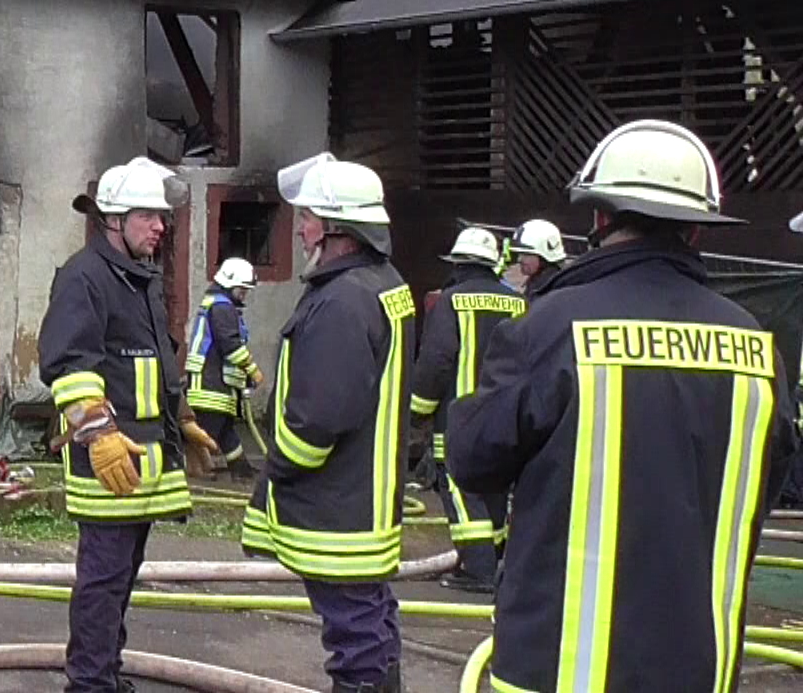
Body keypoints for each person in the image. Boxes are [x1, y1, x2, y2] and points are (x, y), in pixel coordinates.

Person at [448, 121, 798, 692]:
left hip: (557, 670)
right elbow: (769, 479)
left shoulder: (550, 327)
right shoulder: (758, 347)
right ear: (696, 231)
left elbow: (472, 461)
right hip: (698, 671)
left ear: (599, 218)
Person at [39, 156, 221, 693]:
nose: (160, 227)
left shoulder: (139, 279)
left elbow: (155, 360)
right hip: (109, 465)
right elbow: (69, 364)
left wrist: (181, 418)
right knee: (102, 584)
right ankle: (90, 684)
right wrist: (99, 436)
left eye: (162, 217)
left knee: (119, 583)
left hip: (142, 463)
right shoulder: (84, 277)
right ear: (114, 220)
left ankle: (106, 675)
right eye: (148, 216)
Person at [242, 153, 414, 693]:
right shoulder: (381, 284)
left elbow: (319, 417)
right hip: (366, 498)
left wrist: (279, 469)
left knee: (356, 639)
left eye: (308, 218)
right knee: (372, 623)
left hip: (339, 508)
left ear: (338, 228)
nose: (300, 229)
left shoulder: (343, 301)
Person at [408, 226, 524, 594]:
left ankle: (478, 568)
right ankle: (497, 559)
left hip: (460, 418)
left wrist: (418, 410)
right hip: (507, 417)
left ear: (458, 263)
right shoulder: (518, 302)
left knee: (460, 489)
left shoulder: (452, 301)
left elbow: (437, 360)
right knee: (495, 488)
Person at [185, 257, 265, 482]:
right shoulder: (221, 307)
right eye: (242, 290)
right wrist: (252, 370)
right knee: (209, 428)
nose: (244, 295)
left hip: (215, 380)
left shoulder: (219, 304)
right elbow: (230, 345)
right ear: (230, 284)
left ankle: (241, 469)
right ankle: (194, 465)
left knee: (225, 428)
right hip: (210, 382)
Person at [505, 219, 566, 297]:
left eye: (525, 254)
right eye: (519, 254)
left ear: (543, 257)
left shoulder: (547, 290)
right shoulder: (546, 283)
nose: (519, 259)